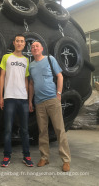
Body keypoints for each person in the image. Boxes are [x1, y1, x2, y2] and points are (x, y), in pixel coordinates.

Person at [28, 41, 71, 172]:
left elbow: (60, 76)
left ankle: (66, 160)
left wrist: (58, 93)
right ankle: (44, 157)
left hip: (52, 100)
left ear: (42, 48)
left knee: (59, 130)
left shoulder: (49, 59)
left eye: (37, 46)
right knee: (42, 131)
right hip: (39, 103)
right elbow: (31, 84)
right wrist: (30, 101)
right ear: (31, 50)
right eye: (33, 47)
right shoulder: (31, 66)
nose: (35, 48)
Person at [0, 34, 33, 167]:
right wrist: (1, 96)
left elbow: (26, 80)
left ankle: (27, 156)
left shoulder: (26, 60)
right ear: (14, 43)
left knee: (25, 130)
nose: (20, 43)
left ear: (25, 44)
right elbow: (2, 77)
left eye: (22, 41)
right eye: (17, 41)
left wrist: (29, 100)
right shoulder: (6, 57)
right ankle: (7, 156)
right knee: (8, 129)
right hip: (9, 98)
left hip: (23, 99)